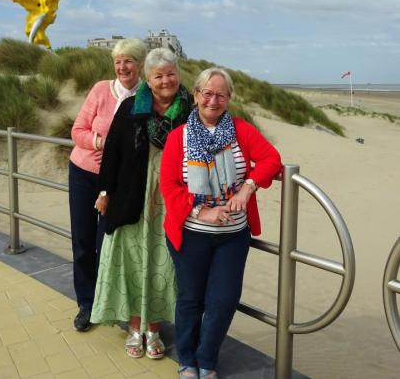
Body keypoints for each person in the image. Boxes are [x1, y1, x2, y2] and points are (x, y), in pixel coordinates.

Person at [160, 68, 282, 379]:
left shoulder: (241, 130)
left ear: (228, 99)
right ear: (197, 95)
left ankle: (207, 359)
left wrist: (248, 187)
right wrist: (202, 212)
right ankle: (187, 359)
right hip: (191, 234)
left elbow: (271, 159)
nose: (213, 100)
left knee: (224, 300)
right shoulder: (179, 137)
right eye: (207, 93)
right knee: (191, 298)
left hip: (232, 236)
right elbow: (170, 186)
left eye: (221, 94)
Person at [90, 48, 193, 359]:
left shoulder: (190, 109)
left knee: (164, 263)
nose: (165, 80)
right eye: (158, 75)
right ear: (148, 79)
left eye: (170, 73)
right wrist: (105, 191)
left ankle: (155, 328)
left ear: (178, 74)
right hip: (131, 196)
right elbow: (112, 152)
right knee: (133, 261)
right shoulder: (132, 107)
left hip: (171, 198)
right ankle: (135, 327)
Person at [68, 38, 147, 332]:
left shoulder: (145, 96)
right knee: (83, 242)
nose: (122, 67)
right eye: (118, 61)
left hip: (118, 183)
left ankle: (110, 303)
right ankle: (87, 304)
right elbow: (77, 130)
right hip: (84, 173)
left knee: (110, 244)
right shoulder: (101, 90)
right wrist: (102, 143)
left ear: (139, 64)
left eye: (128, 61)